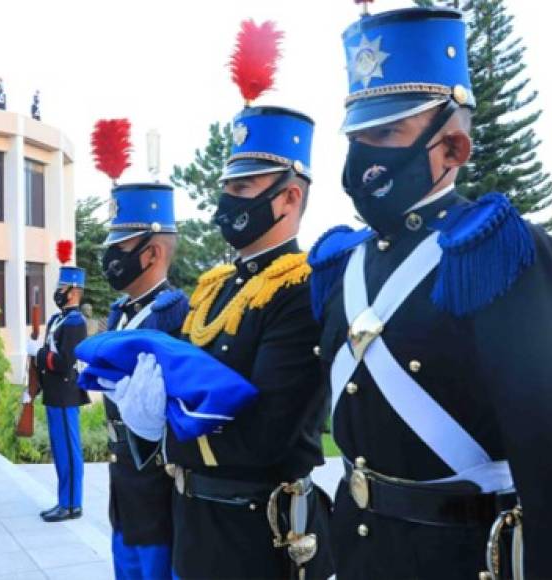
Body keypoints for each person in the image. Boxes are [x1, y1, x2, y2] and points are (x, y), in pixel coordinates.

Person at [309, 6, 552, 579]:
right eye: (359, 135)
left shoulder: (503, 253)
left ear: (453, 147)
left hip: (463, 558)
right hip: (361, 550)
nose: (366, 152)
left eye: (388, 131)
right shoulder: (344, 263)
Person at [113, 21, 332, 578]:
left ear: (288, 197)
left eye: (241, 188)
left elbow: (265, 436)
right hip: (193, 518)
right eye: (226, 186)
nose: (224, 200)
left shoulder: (302, 288)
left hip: (257, 529)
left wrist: (166, 426)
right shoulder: (214, 287)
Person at [97, 146, 189, 579]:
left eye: (121, 245)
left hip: (157, 483)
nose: (110, 256)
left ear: (151, 253)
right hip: (124, 479)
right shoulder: (119, 311)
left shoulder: (175, 312)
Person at [25, 242, 89, 522]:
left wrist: (37, 354)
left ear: (73, 292)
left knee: (68, 450)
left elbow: (63, 361)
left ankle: (73, 504)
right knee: (59, 449)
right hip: (53, 393)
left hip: (65, 392)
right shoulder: (57, 319)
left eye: (62, 289)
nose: (57, 293)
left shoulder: (75, 322)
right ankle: (64, 500)